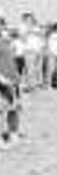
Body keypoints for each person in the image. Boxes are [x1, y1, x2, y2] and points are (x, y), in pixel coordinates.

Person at [1, 19, 22, 148]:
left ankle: (13, 133)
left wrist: (17, 78)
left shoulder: (5, 41)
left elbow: (10, 61)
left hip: (12, 80)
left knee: (14, 108)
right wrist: (1, 79)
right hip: (3, 82)